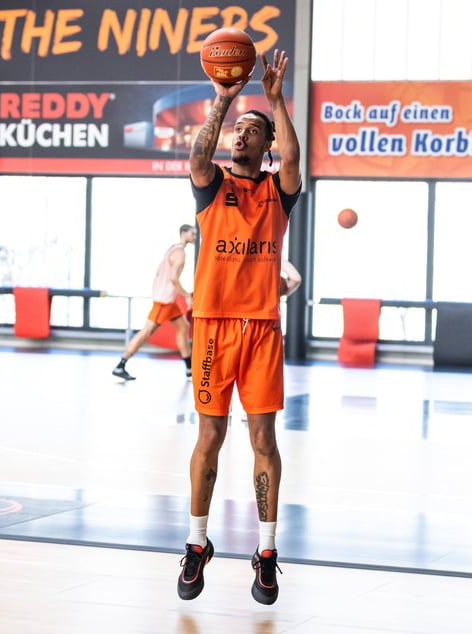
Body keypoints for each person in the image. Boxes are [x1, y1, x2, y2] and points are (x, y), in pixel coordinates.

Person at [176, 48, 301, 606]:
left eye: (252, 132)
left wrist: (273, 100)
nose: (240, 138)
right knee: (209, 436)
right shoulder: (210, 187)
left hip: (260, 331)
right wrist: (225, 100)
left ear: (267, 145)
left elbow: (295, 158)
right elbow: (198, 155)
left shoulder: (278, 190)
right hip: (212, 328)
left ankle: (267, 551)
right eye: (237, 132)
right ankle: (197, 542)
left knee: (262, 440)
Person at [112, 224, 196, 381]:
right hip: (164, 301)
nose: (195, 236)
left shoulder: (173, 249)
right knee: (146, 333)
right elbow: (173, 278)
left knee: (183, 327)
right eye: (192, 233)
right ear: (183, 233)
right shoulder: (180, 253)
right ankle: (121, 365)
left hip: (168, 300)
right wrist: (186, 296)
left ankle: (189, 368)